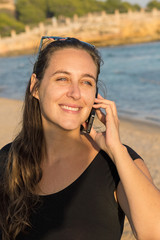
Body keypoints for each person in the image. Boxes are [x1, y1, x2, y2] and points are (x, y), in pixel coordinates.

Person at [0, 37, 160, 240]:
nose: (75, 93)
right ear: (36, 87)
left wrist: (116, 149)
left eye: (86, 82)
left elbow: (155, 233)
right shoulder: (7, 160)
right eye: (62, 79)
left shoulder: (117, 162)